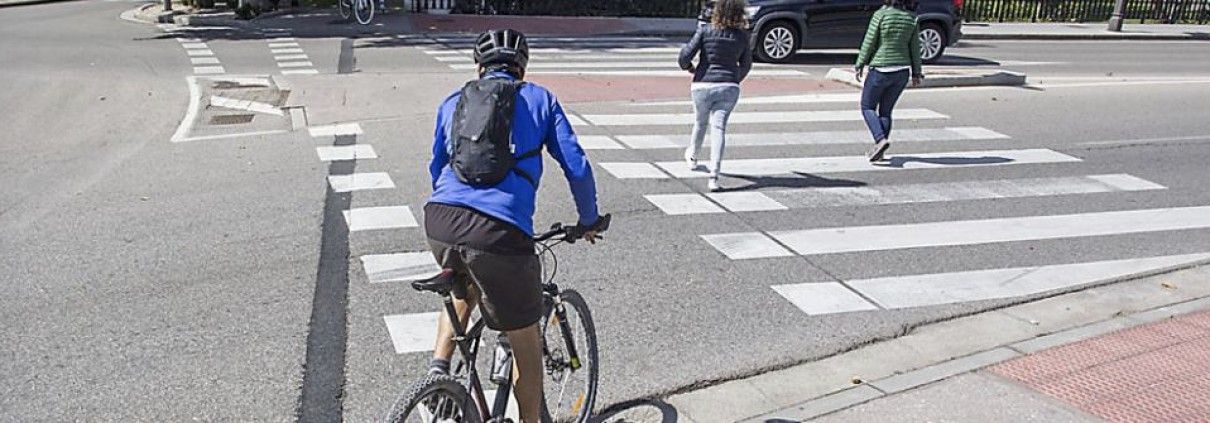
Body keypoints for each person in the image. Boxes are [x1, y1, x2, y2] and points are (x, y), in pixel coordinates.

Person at [424, 29, 607, 423]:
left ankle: (437, 370)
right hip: (499, 231)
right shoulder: (540, 99)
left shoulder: (453, 102)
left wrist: (456, 212)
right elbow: (576, 165)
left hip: (440, 218)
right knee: (526, 340)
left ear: (479, 67)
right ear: (521, 67)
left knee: (463, 281)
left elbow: (436, 166)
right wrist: (588, 220)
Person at [679, 0, 753, 192]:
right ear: (740, 13)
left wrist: (690, 68)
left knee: (700, 122)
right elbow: (746, 65)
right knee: (719, 128)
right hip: (729, 86)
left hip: (703, 84)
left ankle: (693, 157)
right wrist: (734, 79)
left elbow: (684, 57)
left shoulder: (705, 30)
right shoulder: (742, 36)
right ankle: (714, 176)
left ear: (717, 11)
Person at [854, 0, 925, 162]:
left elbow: (869, 41)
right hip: (901, 73)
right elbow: (915, 48)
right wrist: (917, 73)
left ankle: (880, 140)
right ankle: (880, 150)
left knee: (867, 106)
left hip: (880, 69)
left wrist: (860, 63)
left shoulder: (881, 15)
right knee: (886, 111)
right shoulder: (911, 18)